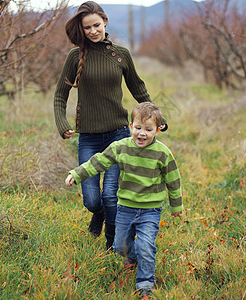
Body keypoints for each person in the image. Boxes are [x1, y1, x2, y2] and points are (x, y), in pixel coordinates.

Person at [54, 1, 167, 249]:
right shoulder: (75, 57)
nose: (93, 31)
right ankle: (99, 215)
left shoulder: (121, 55)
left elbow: (138, 88)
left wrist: (159, 119)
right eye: (87, 28)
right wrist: (62, 123)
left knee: (111, 196)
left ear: (105, 22)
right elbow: (60, 95)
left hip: (117, 135)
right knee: (93, 200)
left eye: (96, 25)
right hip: (89, 138)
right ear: (81, 30)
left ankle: (112, 245)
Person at [65, 102, 183, 296]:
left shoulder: (163, 153)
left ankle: (145, 283)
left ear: (157, 130)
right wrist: (77, 174)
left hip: (150, 210)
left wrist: (176, 206)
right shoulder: (121, 147)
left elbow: (173, 180)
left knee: (145, 246)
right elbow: (99, 161)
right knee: (120, 247)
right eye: (138, 128)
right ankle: (138, 258)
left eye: (148, 129)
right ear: (130, 127)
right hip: (125, 208)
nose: (142, 133)